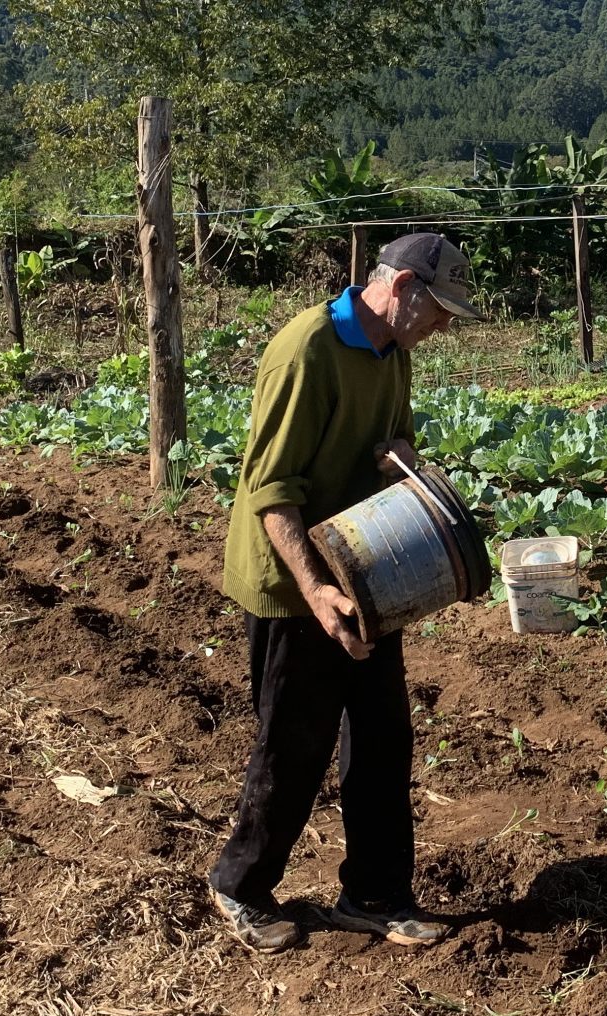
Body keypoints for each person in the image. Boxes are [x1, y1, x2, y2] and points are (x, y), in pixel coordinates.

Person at [208, 232, 479, 952]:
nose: (444, 325)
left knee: (383, 735)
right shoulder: (307, 350)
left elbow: (393, 444)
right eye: (440, 309)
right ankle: (240, 887)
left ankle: (373, 894)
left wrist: (407, 470)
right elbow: (271, 491)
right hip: (290, 581)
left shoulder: (394, 351)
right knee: (294, 743)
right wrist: (316, 591)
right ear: (399, 290)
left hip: (363, 569)